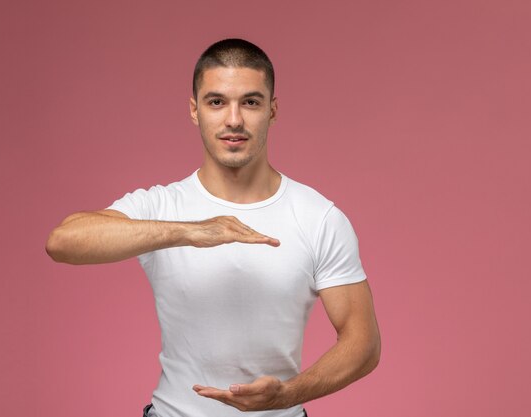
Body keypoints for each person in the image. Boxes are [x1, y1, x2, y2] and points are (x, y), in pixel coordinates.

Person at [46, 38, 381, 417]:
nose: (234, 120)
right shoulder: (162, 205)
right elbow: (63, 241)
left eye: (251, 102)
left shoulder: (317, 216)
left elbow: (364, 343)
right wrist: (190, 230)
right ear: (195, 110)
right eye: (217, 102)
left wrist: (286, 394)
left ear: (272, 110)